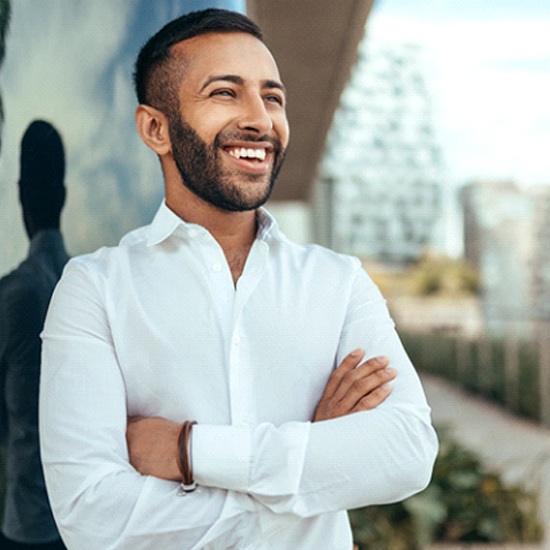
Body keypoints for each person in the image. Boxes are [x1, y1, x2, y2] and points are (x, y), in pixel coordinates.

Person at [39, 9, 438, 550]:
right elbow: (92, 517)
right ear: (156, 128)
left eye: (272, 97)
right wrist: (312, 464)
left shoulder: (338, 282)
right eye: (225, 93)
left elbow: (407, 452)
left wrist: (189, 452)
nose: (260, 119)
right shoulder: (94, 290)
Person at [0, 120, 68, 550]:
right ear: (63, 197)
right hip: (83, 524)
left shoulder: (13, 294)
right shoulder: (88, 285)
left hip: (27, 526)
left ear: (21, 196)